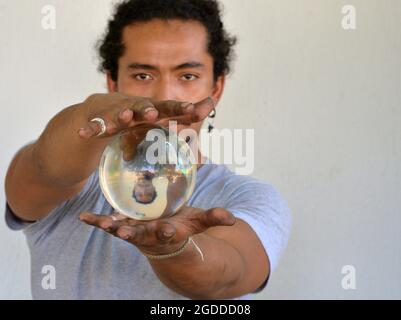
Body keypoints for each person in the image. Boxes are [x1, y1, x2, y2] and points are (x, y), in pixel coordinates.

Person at [5, 0, 292, 300]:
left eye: (187, 76)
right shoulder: (74, 180)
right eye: (143, 76)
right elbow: (44, 168)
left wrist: (172, 248)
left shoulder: (250, 199)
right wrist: (90, 111)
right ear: (112, 82)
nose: (163, 96)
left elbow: (225, 276)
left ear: (216, 88)